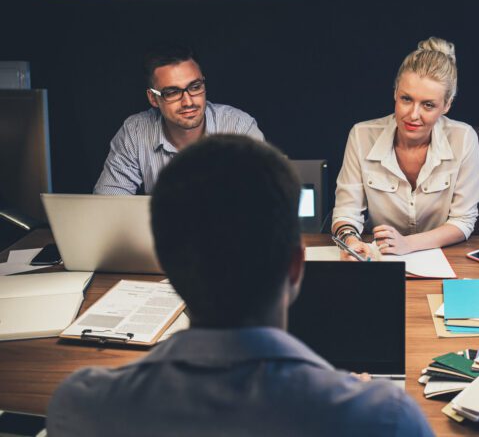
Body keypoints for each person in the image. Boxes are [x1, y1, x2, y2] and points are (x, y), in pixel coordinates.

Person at [48, 135, 434, 437]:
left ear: (168, 269)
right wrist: (353, 396)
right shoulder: (383, 417)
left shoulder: (82, 405)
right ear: (297, 267)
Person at [332, 37, 479, 260]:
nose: (413, 115)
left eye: (428, 105)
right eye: (406, 99)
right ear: (395, 93)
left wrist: (407, 244)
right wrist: (352, 242)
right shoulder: (361, 135)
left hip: (441, 258)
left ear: (447, 105)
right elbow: (346, 212)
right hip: (380, 258)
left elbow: (463, 221)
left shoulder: (464, 138)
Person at [93, 44, 265, 195]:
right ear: (153, 98)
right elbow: (108, 204)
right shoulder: (135, 133)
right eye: (172, 92)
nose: (188, 102)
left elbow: (265, 198)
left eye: (195, 87)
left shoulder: (239, 127)